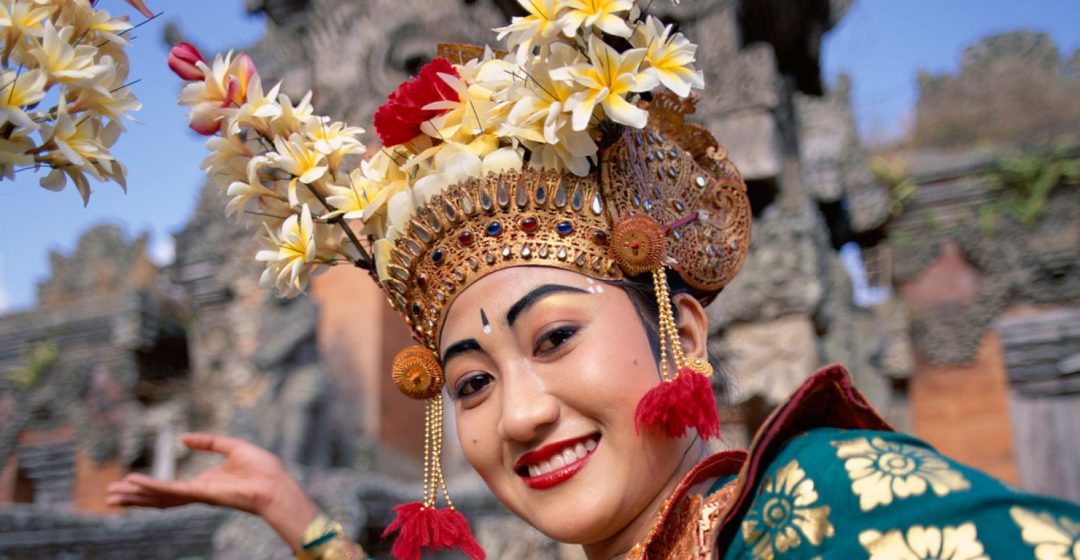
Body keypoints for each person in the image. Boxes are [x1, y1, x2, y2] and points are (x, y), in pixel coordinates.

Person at [109, 4, 1080, 559]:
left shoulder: (818, 503)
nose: (521, 412)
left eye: (555, 336)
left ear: (685, 333)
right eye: (472, 381)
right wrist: (293, 509)